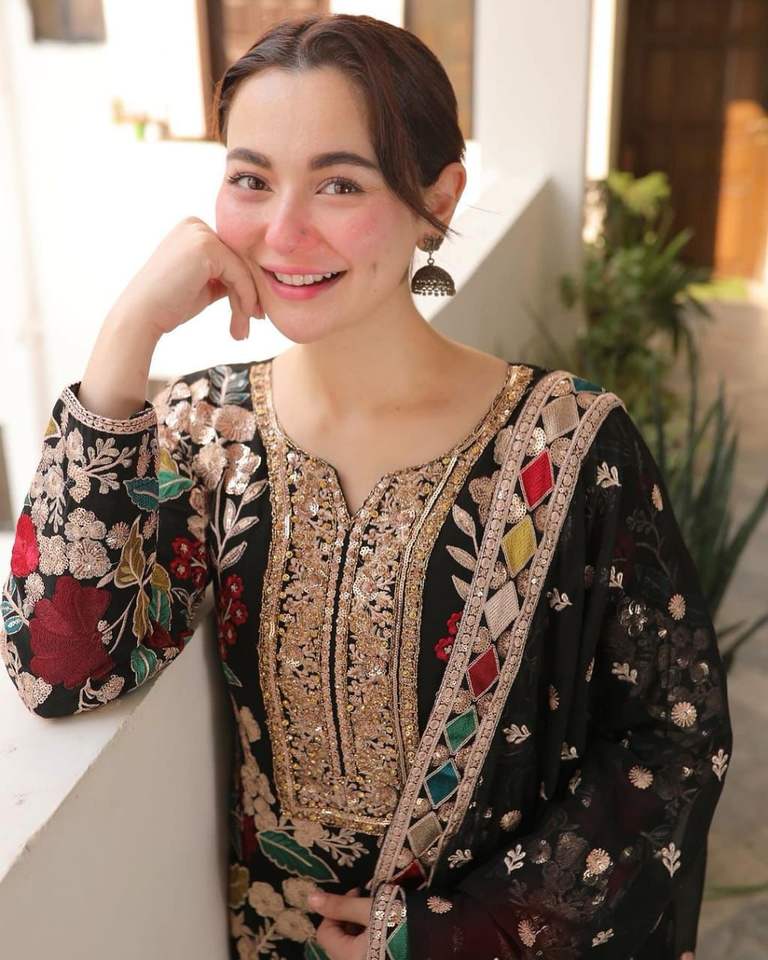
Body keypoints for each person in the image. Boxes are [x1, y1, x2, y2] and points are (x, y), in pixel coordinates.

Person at [0, 13, 731, 960]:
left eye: (340, 182)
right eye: (251, 179)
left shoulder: (571, 444)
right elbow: (57, 668)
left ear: (438, 199)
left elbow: (673, 742)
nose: (284, 231)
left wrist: (461, 935)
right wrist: (126, 335)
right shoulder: (206, 435)